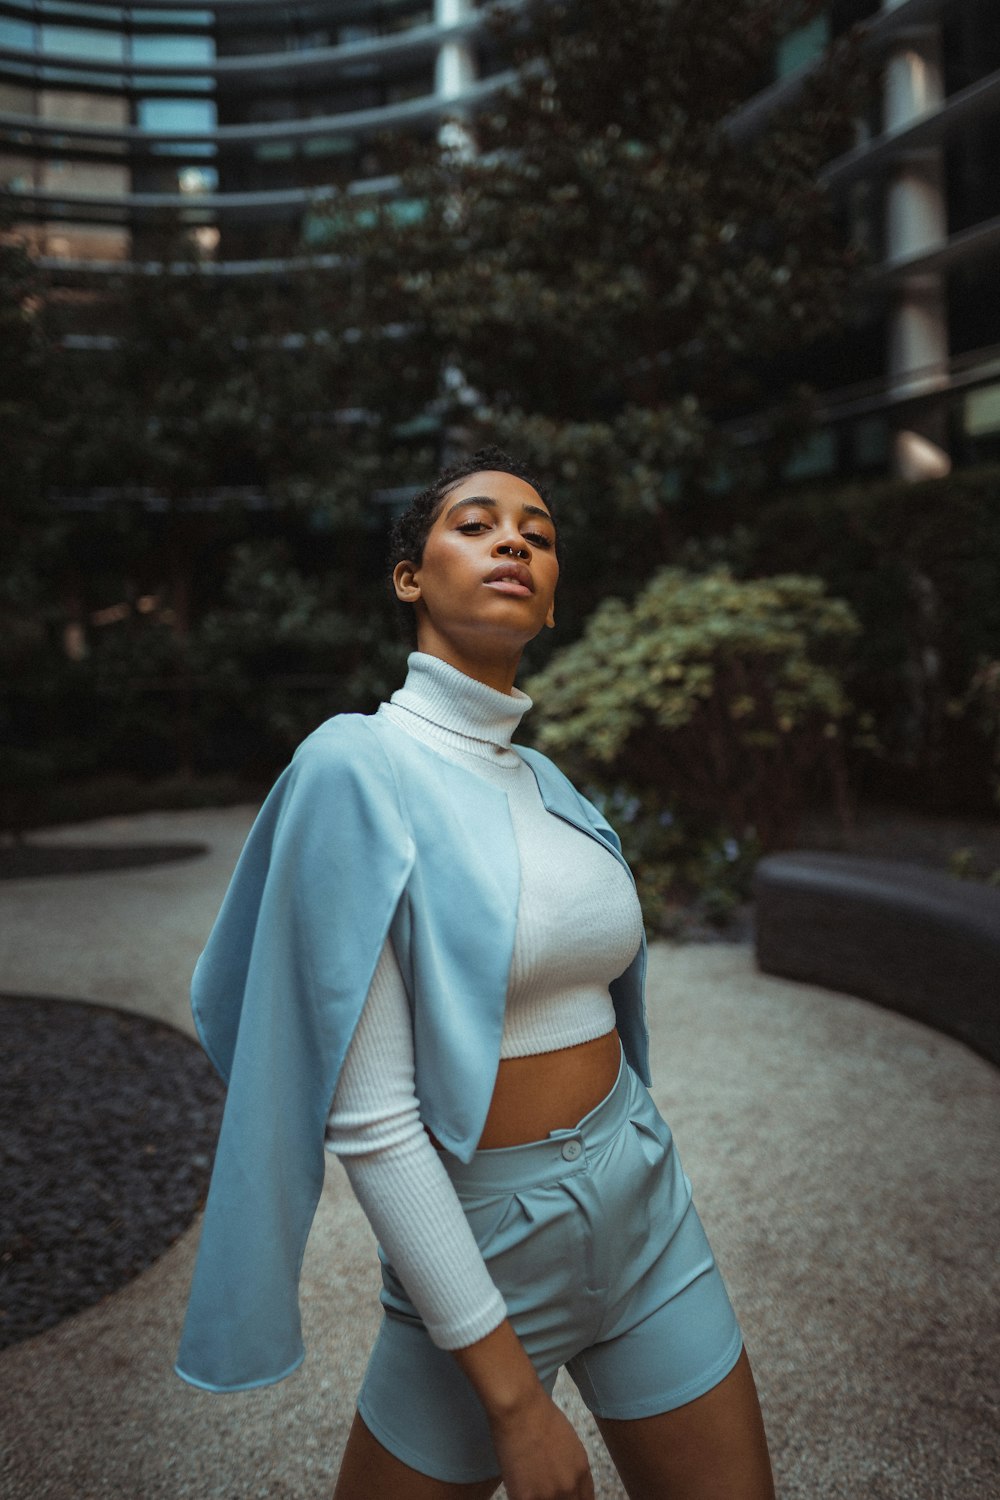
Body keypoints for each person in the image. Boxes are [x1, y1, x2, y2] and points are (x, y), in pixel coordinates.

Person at [175, 447, 775, 1500]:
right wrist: (511, 1402)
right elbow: (370, 1116)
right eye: (478, 523)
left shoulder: (545, 779)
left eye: (538, 537)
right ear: (409, 577)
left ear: (549, 602)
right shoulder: (354, 764)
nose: (514, 543)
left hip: (644, 1200)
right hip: (483, 1238)